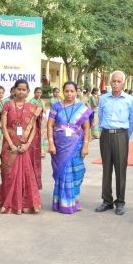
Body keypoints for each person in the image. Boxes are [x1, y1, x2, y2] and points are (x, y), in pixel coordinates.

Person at [0, 80, 42, 214]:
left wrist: (27, 144)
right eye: (18, 89)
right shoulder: (7, 105)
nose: (21, 92)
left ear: (28, 91)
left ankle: (24, 203)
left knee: (26, 174)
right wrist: (10, 144)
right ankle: (9, 203)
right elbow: (3, 126)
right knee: (9, 174)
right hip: (9, 146)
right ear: (14, 90)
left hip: (25, 145)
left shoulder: (33, 107)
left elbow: (34, 129)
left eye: (24, 89)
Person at [95, 71, 133, 215]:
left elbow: (132, 121)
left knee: (120, 169)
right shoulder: (103, 99)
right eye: (114, 81)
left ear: (123, 83)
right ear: (110, 82)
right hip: (106, 134)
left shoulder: (130, 100)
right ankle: (107, 200)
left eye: (119, 81)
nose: (116, 84)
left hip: (121, 135)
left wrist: (124, 135)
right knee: (106, 169)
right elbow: (100, 117)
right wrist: (105, 130)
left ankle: (120, 201)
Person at [47, 81, 92, 214]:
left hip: (76, 146)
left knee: (76, 172)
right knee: (62, 172)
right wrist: (50, 143)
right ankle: (61, 203)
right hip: (59, 146)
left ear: (76, 91)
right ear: (63, 91)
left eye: (72, 91)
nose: (69, 94)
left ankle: (74, 200)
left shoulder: (81, 108)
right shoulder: (56, 106)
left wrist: (85, 145)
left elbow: (86, 127)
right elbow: (50, 125)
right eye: (66, 91)